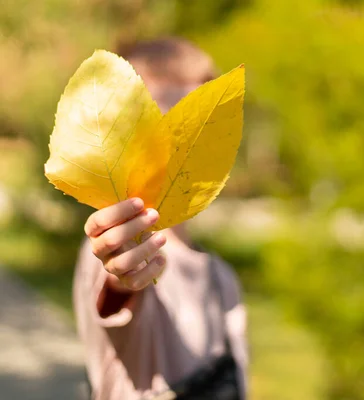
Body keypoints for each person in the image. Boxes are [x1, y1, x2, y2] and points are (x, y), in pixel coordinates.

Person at [73, 37, 248, 400]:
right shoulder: (117, 250)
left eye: (200, 124)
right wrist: (122, 279)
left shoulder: (223, 280)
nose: (182, 145)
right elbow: (118, 286)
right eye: (161, 124)